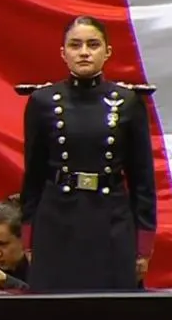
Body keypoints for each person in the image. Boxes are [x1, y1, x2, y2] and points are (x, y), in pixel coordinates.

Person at [17, 15, 157, 292]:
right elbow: (33, 177)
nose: (83, 52)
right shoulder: (42, 102)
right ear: (63, 53)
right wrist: (29, 238)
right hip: (57, 221)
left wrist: (143, 246)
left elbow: (143, 180)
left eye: (93, 45)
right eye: (75, 45)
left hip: (111, 221)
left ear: (107, 52)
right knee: (55, 315)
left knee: (112, 316)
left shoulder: (128, 103)